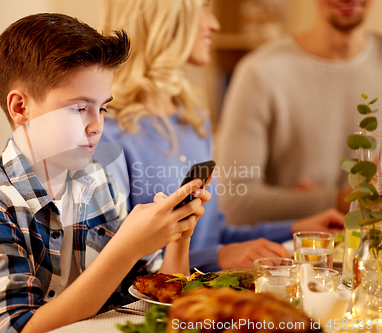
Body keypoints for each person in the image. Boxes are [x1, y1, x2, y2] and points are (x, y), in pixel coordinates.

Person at [0, 13, 212, 333]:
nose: (96, 126)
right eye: (80, 109)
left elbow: (151, 299)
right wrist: (125, 249)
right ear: (20, 108)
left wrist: (178, 236)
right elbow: (17, 328)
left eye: (102, 108)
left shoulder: (100, 182)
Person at [97, 0, 345, 273]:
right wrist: (218, 257)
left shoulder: (192, 120)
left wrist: (296, 228)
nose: (214, 24)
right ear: (164, 16)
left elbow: (213, 237)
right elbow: (111, 269)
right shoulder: (106, 132)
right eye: (203, 7)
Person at [216, 0, 382, 226]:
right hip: (295, 257)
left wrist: (308, 200)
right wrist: (342, 201)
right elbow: (234, 202)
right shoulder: (259, 73)